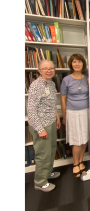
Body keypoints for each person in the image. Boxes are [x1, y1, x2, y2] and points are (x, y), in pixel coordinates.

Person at [27, 60, 62, 192]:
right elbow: (31, 109)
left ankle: (47, 173)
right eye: (45, 68)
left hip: (51, 121)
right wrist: (40, 129)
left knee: (51, 150)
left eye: (51, 68)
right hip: (41, 124)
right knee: (43, 154)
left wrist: (57, 117)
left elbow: (52, 104)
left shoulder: (51, 84)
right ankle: (40, 182)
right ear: (39, 71)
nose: (49, 71)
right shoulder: (36, 86)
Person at [61, 54, 90, 178]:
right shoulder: (66, 79)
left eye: (79, 62)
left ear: (83, 64)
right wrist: (64, 115)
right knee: (76, 141)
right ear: (71, 64)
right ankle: (75, 163)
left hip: (86, 112)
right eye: (74, 62)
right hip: (72, 113)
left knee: (84, 139)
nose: (77, 64)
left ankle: (81, 160)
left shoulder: (88, 78)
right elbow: (63, 99)